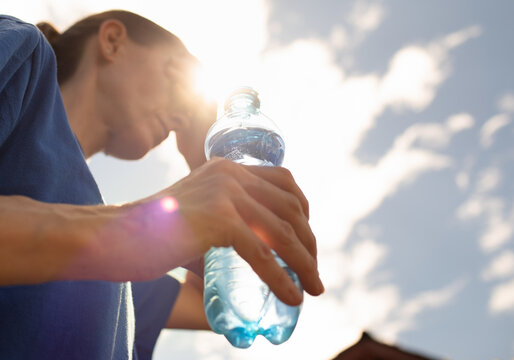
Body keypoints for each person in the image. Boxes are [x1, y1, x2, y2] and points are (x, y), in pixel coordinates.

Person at [0, 9, 324, 360]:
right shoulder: (23, 52)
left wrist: (208, 156)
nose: (181, 113)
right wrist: (126, 229)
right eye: (176, 77)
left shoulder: (116, 272)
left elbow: (217, 306)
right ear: (112, 42)